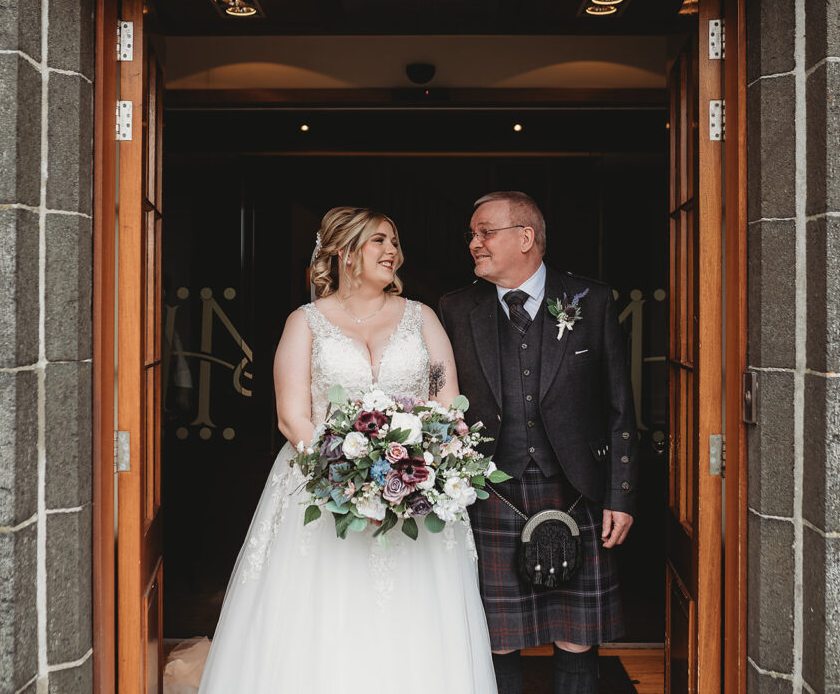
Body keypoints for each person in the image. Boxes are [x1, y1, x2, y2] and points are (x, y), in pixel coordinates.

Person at [195, 206, 497, 693]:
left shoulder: (422, 318)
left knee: (415, 616)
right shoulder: (306, 322)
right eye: (380, 240)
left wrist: (419, 470)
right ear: (344, 252)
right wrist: (352, 480)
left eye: (395, 241)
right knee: (322, 615)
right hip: (319, 488)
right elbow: (293, 417)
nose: (393, 251)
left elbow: (446, 401)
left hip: (414, 493)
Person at [438, 191, 638, 694]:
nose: (474, 244)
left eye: (485, 232)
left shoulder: (590, 300)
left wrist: (621, 495)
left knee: (576, 635)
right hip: (489, 494)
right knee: (496, 636)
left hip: (576, 490)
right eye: (472, 234)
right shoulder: (456, 309)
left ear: (526, 238)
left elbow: (619, 408)